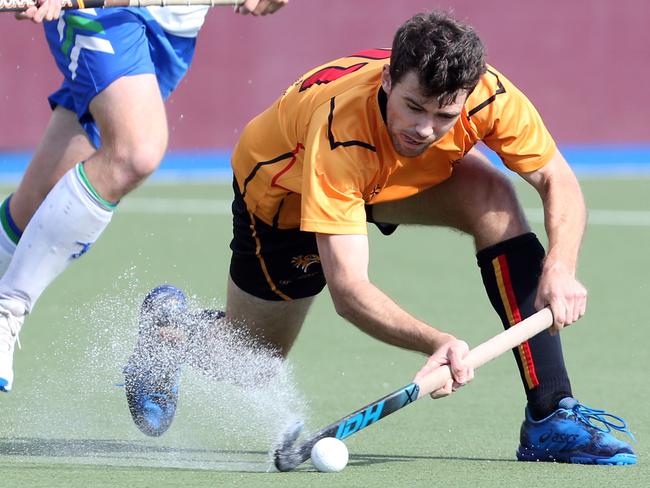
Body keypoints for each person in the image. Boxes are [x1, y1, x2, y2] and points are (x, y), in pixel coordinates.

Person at [124, 10, 637, 463]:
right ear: (389, 79)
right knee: (253, 359)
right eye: (414, 107)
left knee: (493, 200)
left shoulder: (489, 95)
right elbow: (350, 292)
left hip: (388, 177)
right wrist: (434, 342)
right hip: (289, 195)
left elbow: (557, 178)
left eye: (444, 115)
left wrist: (561, 265)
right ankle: (169, 333)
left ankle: (552, 415)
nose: (425, 129)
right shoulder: (340, 133)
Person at [0, 0, 290, 393]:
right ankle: (8, 307)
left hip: (173, 25)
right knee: (135, 151)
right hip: (105, 12)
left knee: (39, 200)